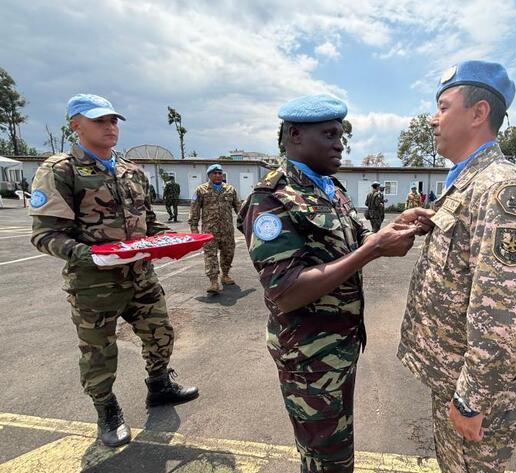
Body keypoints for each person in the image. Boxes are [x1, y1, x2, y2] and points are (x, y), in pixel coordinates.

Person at [239, 94, 433, 473]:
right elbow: (287, 291)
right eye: (329, 134)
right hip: (308, 355)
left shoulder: (331, 188)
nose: (339, 143)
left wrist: (393, 227)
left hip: (338, 346)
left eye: (340, 134)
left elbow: (359, 237)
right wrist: (374, 249)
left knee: (332, 450)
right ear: (295, 134)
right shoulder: (270, 199)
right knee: (328, 458)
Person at [397, 60, 516, 473]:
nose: (433, 118)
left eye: (443, 107)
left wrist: (472, 398)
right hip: (451, 375)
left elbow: (504, 311)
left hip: (471, 387)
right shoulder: (467, 181)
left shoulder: (501, 189)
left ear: (478, 113)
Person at [29, 94, 198, 447]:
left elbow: (148, 224)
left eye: (114, 121)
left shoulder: (131, 170)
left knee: (160, 333)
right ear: (75, 124)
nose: (111, 127)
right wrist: (90, 255)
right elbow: (45, 235)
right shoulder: (61, 170)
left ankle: (159, 386)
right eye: (100, 121)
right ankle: (107, 411)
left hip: (140, 276)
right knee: (99, 351)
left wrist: (170, 240)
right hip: (94, 284)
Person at [189, 164, 241, 294]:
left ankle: (225, 275)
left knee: (228, 253)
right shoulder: (201, 190)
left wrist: (246, 221)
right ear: (209, 175)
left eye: (220, 173)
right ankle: (213, 282)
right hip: (209, 231)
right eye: (214, 173)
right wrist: (194, 229)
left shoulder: (230, 189)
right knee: (210, 255)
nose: (218, 175)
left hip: (227, 230)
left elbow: (239, 208)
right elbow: (194, 210)